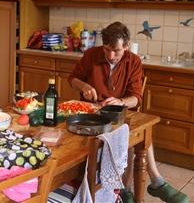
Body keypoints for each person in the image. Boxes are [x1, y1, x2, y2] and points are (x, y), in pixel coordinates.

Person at [68, 21, 189, 203]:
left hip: (118, 114)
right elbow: (73, 79)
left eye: (116, 50)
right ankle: (137, 188)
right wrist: (84, 85)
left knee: (136, 135)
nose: (111, 55)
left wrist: (121, 101)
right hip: (90, 115)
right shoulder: (92, 55)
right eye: (107, 49)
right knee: (136, 137)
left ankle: (140, 186)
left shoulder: (133, 61)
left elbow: (136, 98)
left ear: (126, 45)